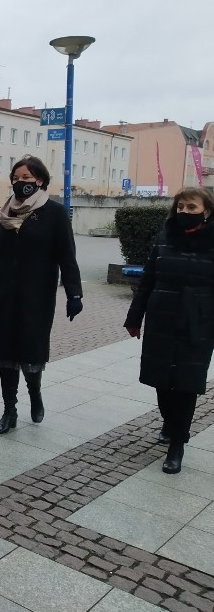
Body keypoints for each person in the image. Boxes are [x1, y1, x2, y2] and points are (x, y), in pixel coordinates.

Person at [0, 155, 82, 434]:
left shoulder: (54, 213)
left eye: (27, 178)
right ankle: (10, 410)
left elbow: (67, 257)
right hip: (4, 294)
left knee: (30, 352)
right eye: (16, 178)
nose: (20, 183)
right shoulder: (3, 213)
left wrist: (74, 294)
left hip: (37, 296)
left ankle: (35, 392)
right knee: (4, 352)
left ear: (40, 180)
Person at [124, 188, 214, 474]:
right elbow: (148, 278)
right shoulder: (165, 237)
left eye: (192, 206)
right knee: (161, 380)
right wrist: (134, 316)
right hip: (161, 316)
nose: (185, 212)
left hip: (198, 321)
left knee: (186, 383)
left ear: (207, 211)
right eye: (181, 207)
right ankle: (168, 420)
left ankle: (178, 443)